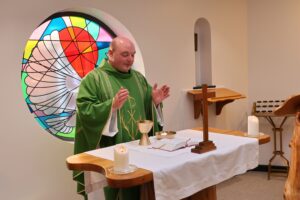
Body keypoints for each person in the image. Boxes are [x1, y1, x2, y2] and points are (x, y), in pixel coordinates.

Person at [73, 36, 170, 200]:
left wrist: (154, 102)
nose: (130, 59)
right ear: (110, 53)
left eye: (132, 55)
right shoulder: (94, 79)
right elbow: (85, 110)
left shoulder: (138, 79)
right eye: (125, 54)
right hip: (112, 152)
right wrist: (110, 107)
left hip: (140, 149)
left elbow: (147, 112)